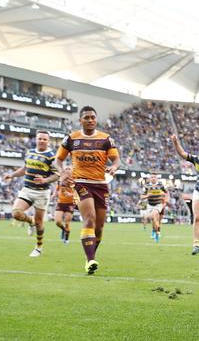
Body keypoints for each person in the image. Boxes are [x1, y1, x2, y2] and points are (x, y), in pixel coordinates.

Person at [55, 106, 120, 274]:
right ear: (80, 120)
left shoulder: (106, 139)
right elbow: (58, 160)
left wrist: (114, 167)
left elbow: (116, 159)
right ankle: (91, 259)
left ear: (96, 119)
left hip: (100, 184)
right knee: (89, 219)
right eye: (87, 118)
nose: (90, 120)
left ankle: (90, 256)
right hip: (80, 183)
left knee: (99, 228)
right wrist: (62, 173)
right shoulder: (71, 139)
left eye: (93, 117)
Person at [2, 130, 59, 256]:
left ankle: (39, 247)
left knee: (40, 223)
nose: (42, 141)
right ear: (36, 139)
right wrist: (12, 175)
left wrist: (45, 180)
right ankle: (30, 222)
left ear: (48, 141)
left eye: (45, 139)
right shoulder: (30, 152)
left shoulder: (51, 156)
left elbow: (57, 175)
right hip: (27, 189)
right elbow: (25, 169)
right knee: (16, 213)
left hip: (42, 192)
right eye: (40, 138)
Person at [141, 174, 169, 243]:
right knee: (153, 220)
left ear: (157, 178)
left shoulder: (161, 185)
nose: (153, 178)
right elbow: (141, 196)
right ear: (150, 178)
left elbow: (167, 193)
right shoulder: (146, 186)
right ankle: (155, 231)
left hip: (158, 204)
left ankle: (157, 232)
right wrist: (147, 195)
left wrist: (166, 201)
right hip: (150, 205)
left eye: (154, 177)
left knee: (155, 215)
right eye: (152, 177)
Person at [52, 166, 75, 244]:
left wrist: (71, 194)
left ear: (72, 171)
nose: (67, 170)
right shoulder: (61, 178)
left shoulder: (75, 179)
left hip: (70, 203)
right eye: (66, 169)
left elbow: (79, 192)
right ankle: (63, 229)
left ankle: (66, 238)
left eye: (69, 169)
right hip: (61, 202)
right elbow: (57, 187)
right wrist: (54, 194)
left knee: (67, 222)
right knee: (57, 222)